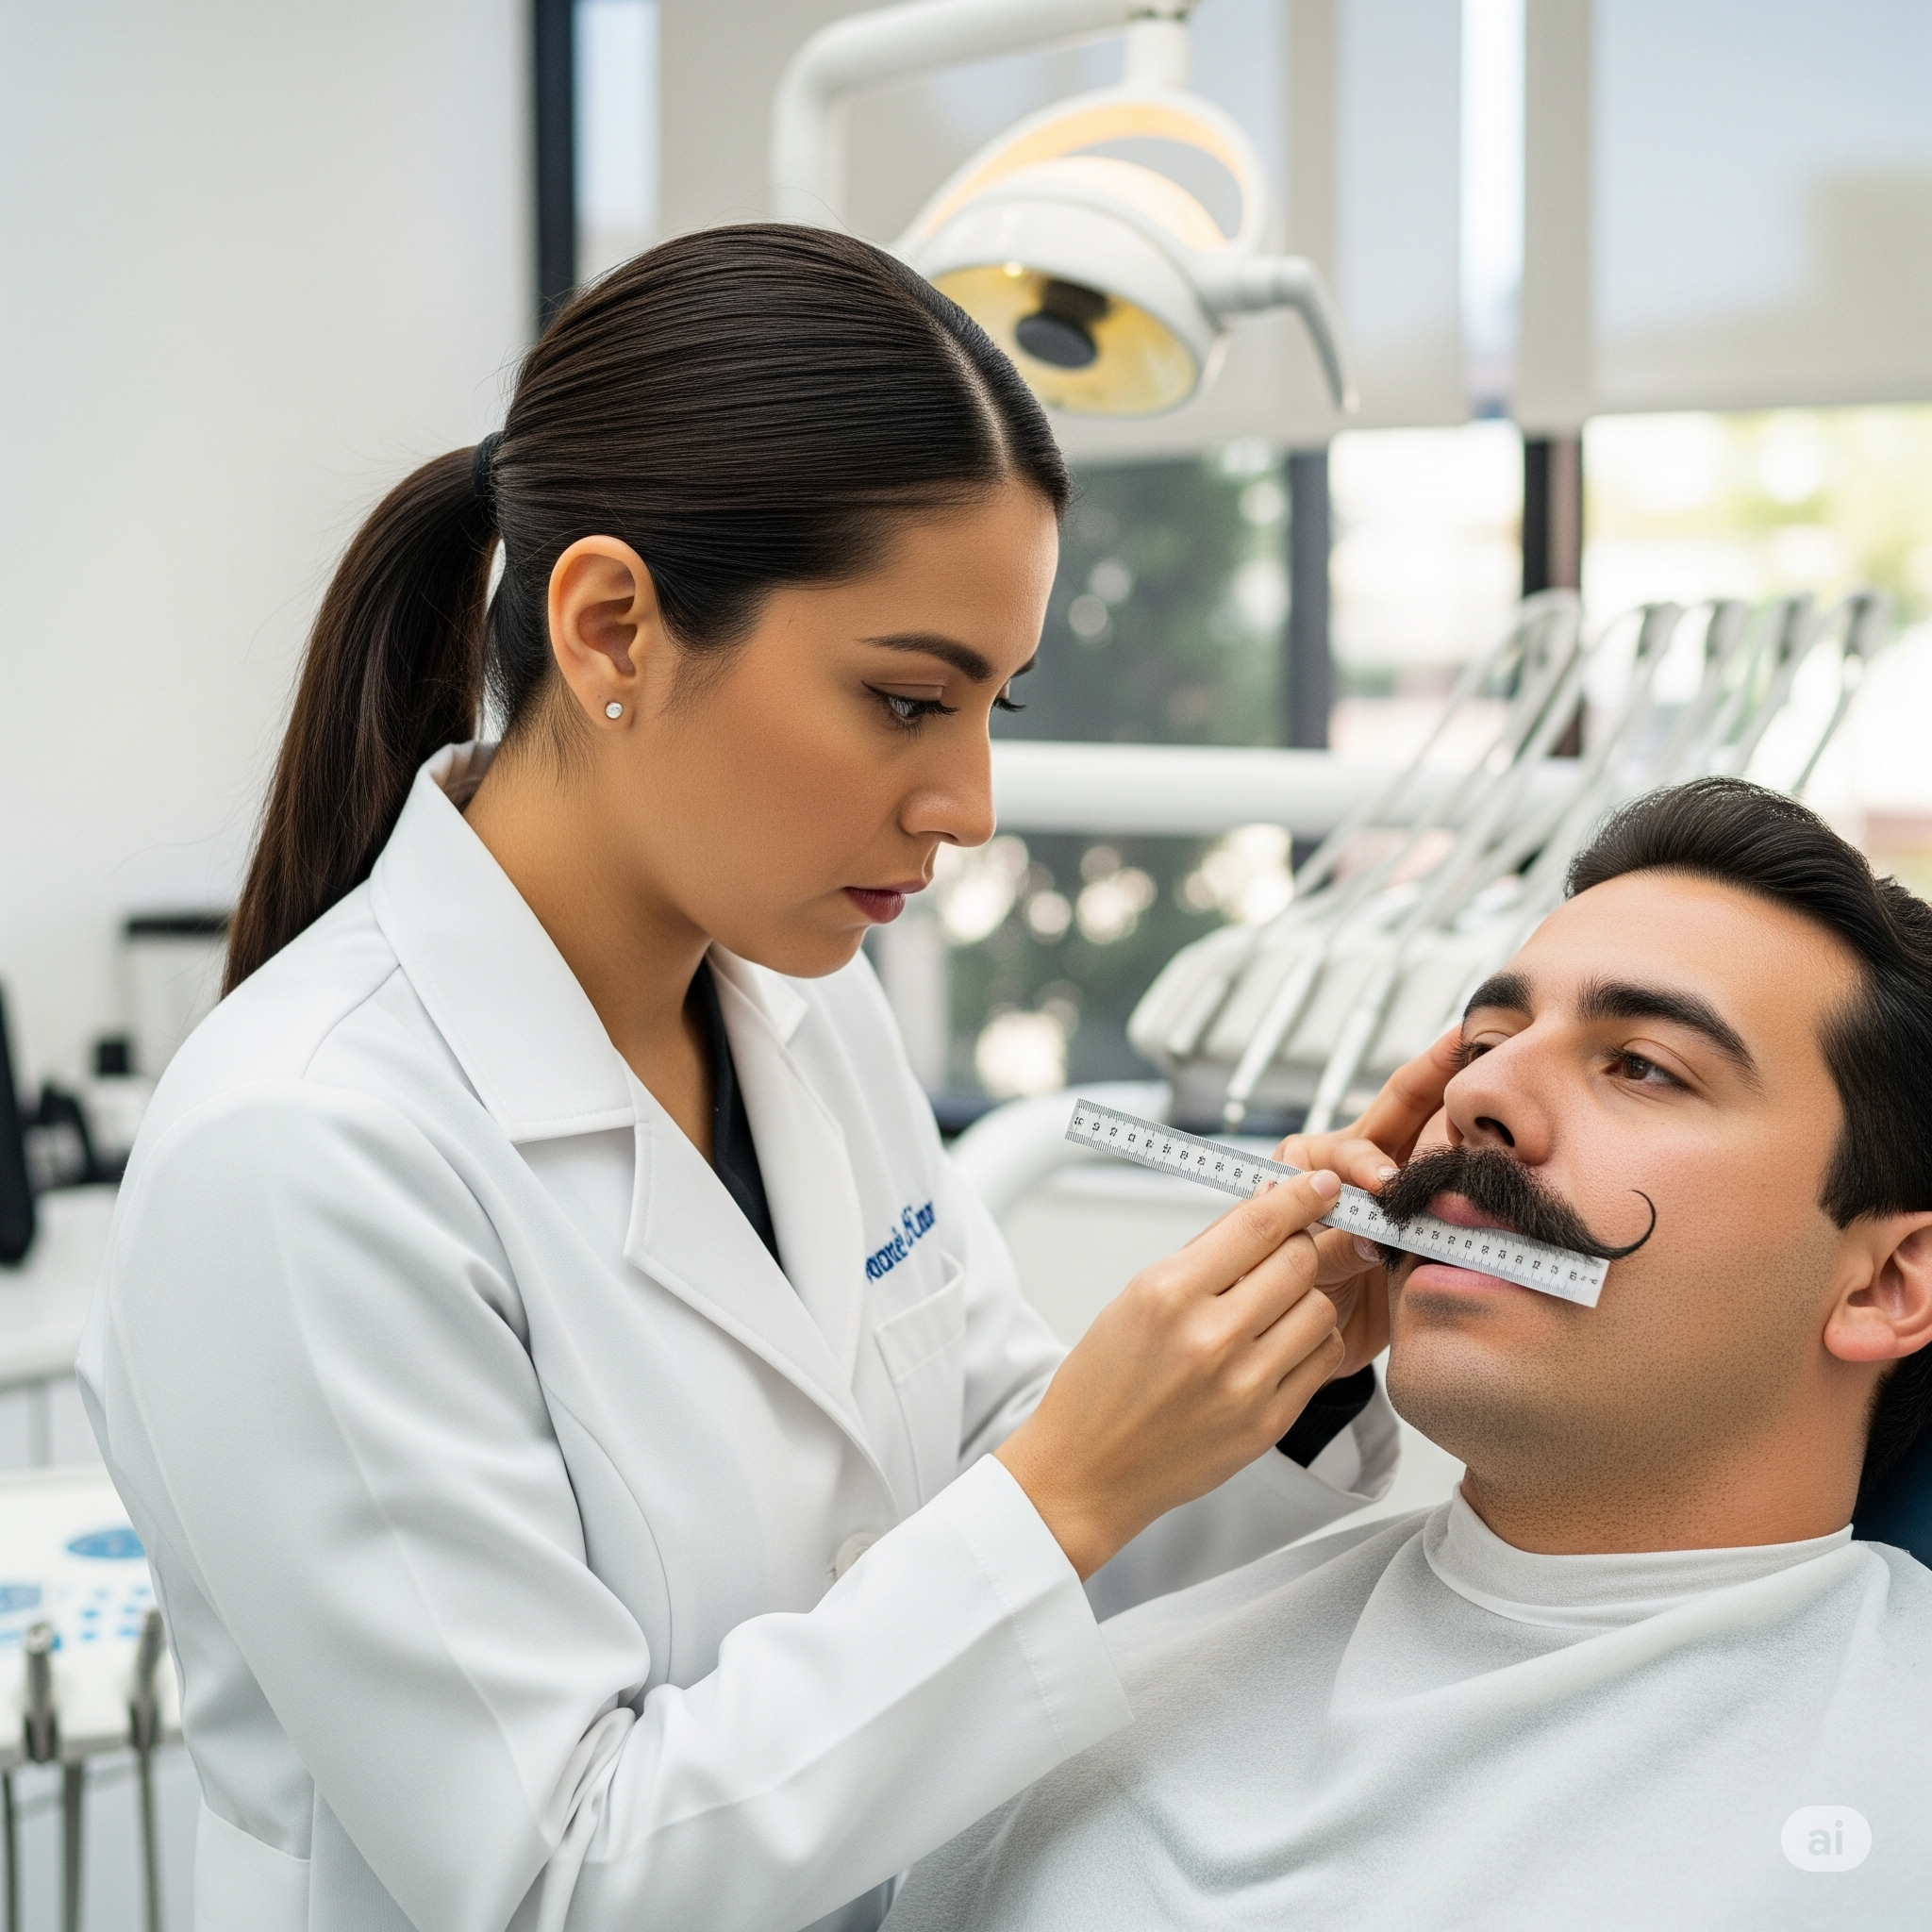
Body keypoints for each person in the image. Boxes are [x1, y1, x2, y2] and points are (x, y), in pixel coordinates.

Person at [78, 225, 1448, 1932]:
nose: (969, 804)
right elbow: (547, 1873)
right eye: (907, 699)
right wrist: (1069, 1488)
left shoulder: (803, 1007)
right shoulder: (303, 1152)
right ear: (611, 630)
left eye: (995, 708)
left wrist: (1280, 1361)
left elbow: (977, 1491)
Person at [887, 776, 1932, 1931]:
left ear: (1883, 1281)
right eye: (1485, 1041)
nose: (1476, 1091)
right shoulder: (1097, 1693)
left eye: (1640, 1063)